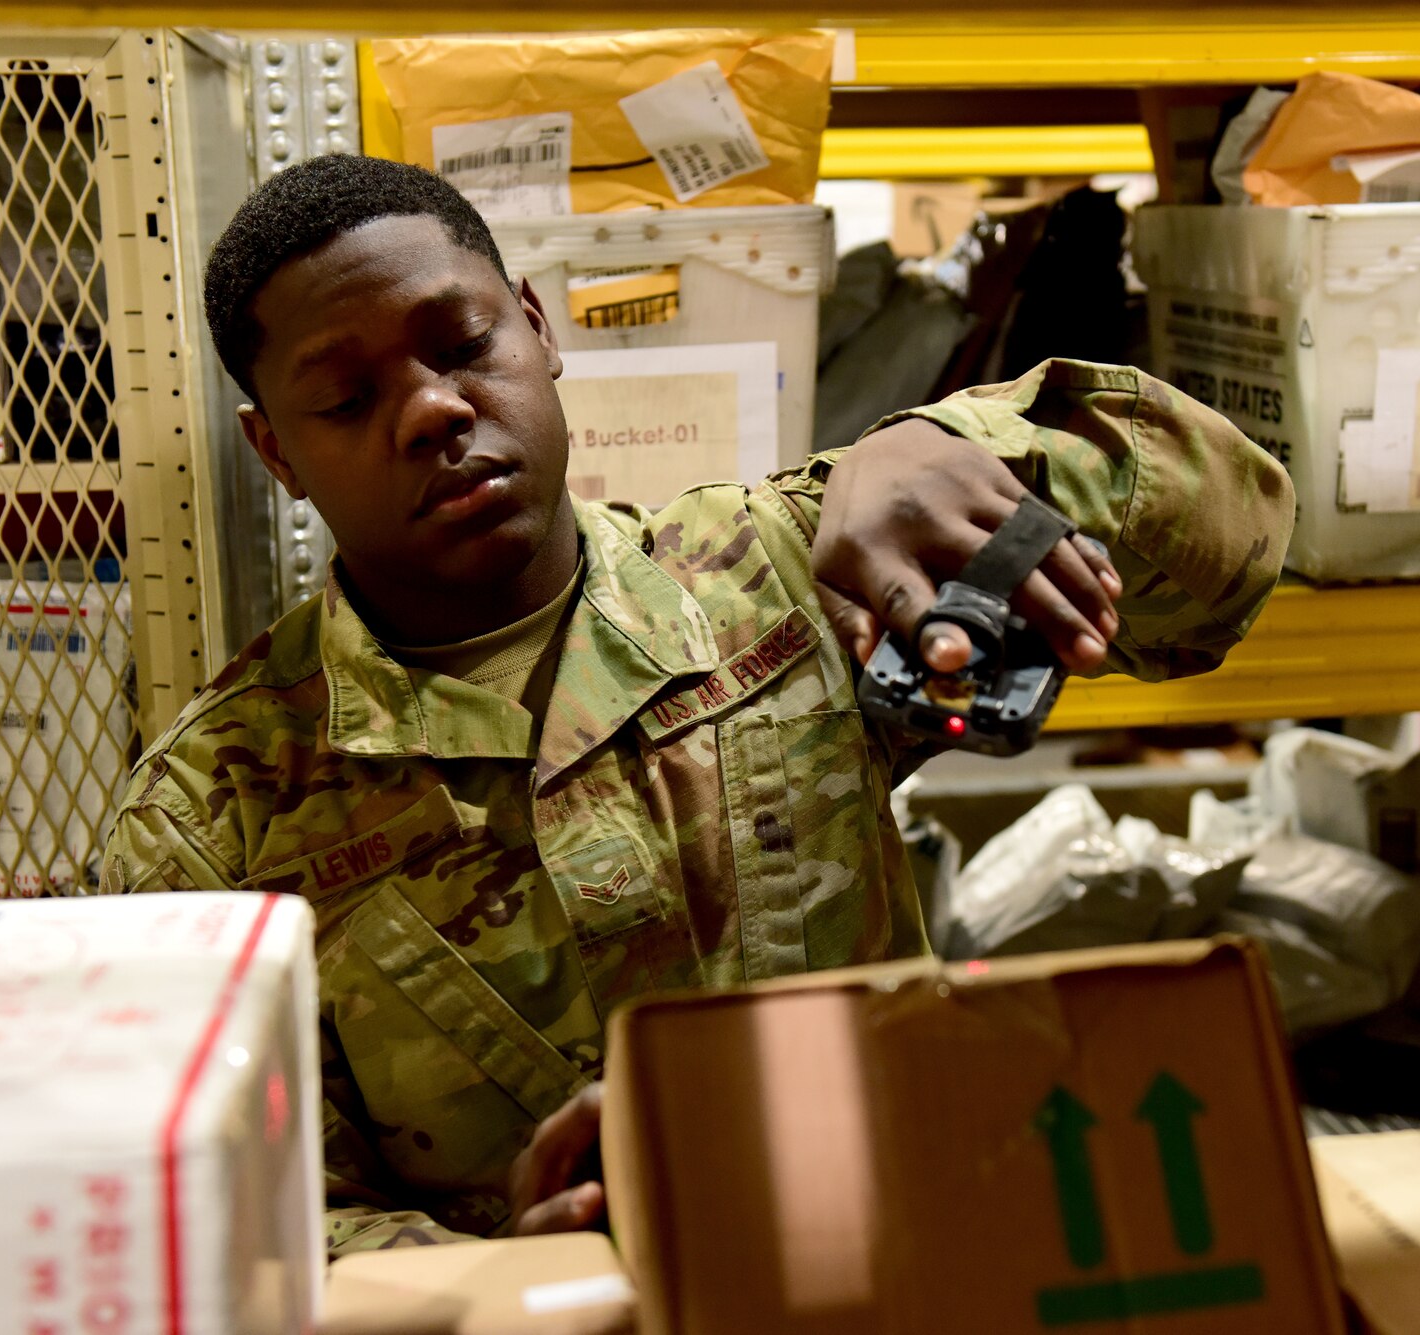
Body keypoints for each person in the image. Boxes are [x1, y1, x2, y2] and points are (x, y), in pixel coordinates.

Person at [102, 154, 1293, 1253]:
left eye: (460, 345)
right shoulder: (217, 816)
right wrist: (504, 1277)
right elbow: (239, 1222)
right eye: (347, 399)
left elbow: (1226, 554)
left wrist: (953, 443)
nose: (430, 412)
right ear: (275, 454)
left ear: (534, 325)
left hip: (903, 1276)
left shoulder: (777, 574)